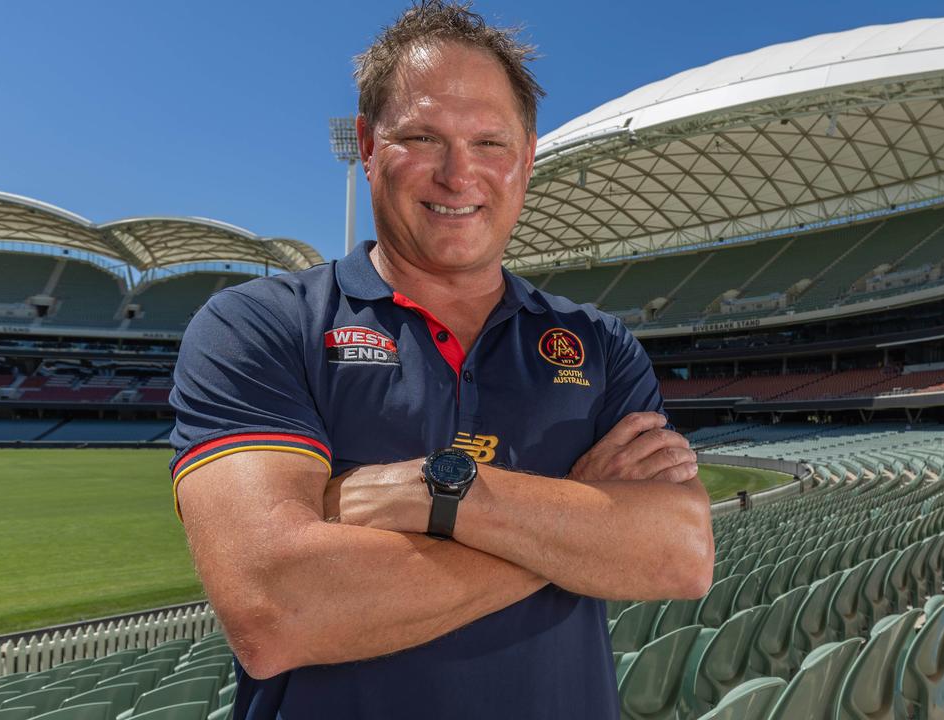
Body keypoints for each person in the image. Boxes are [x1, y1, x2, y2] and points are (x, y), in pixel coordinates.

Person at [168, 2, 715, 718]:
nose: (460, 175)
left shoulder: (600, 343)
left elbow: (679, 554)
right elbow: (277, 611)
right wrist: (575, 522)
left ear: (526, 154)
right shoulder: (258, 325)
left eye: (490, 141)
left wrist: (436, 494)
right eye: (423, 136)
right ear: (365, 144)